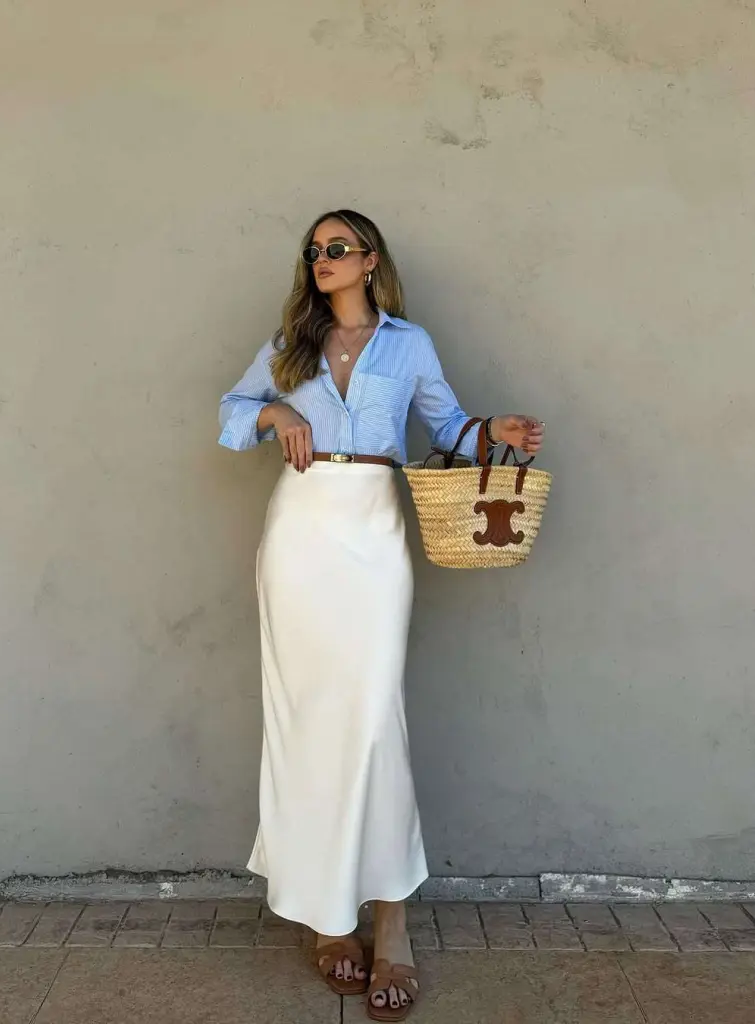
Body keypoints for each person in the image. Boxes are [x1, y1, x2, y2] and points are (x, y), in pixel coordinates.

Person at [219, 209, 544, 1020]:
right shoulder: (287, 345)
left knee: (371, 720)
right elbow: (230, 413)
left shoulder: (409, 344)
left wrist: (492, 431)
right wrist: (276, 413)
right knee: (306, 720)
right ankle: (329, 920)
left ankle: (389, 921)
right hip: (298, 532)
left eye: (337, 248)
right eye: (314, 250)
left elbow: (447, 426)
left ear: (369, 260)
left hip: (372, 529)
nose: (323, 259)